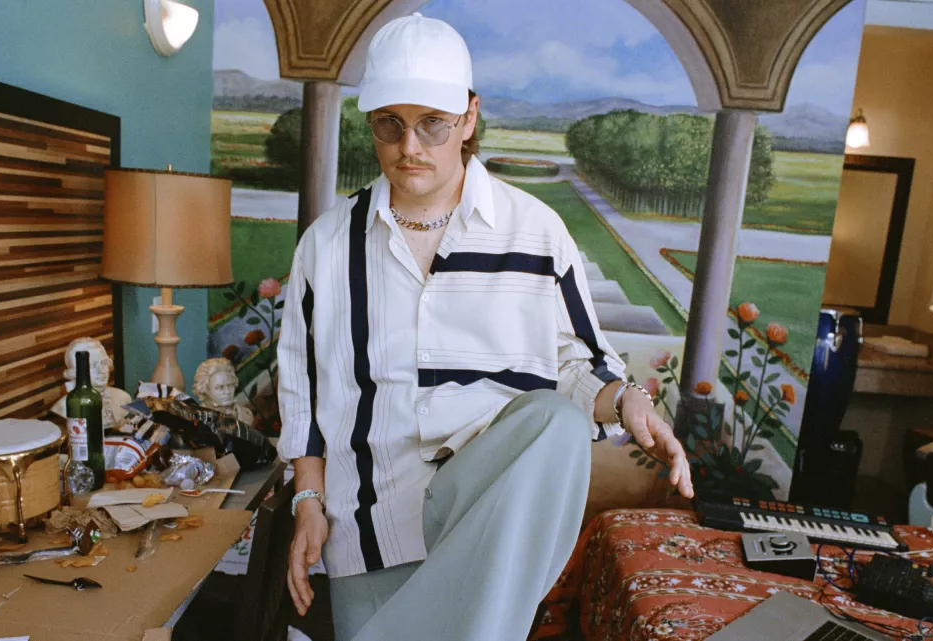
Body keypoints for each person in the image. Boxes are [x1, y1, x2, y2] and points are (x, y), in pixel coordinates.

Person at [276, 13, 694, 640]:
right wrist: (308, 501)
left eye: (432, 123)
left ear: (469, 117)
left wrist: (630, 401)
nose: (409, 146)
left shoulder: (538, 233)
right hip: (369, 528)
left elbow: (581, 365)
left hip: (486, 519)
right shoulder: (326, 246)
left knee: (554, 422)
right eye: (389, 124)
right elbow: (304, 394)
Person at [49, 336, 132, 429]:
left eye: (103, 363)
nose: (102, 371)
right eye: (92, 366)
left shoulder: (122, 397)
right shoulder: (63, 407)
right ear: (75, 372)